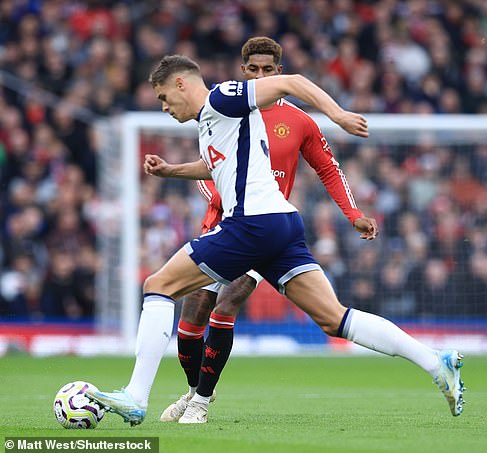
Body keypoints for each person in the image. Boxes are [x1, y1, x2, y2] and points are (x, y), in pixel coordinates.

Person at [85, 54, 465, 426]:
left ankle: (136, 396)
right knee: (334, 319)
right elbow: (215, 165)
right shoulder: (212, 122)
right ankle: (435, 362)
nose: (164, 106)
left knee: (158, 285)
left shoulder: (222, 98)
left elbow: (293, 82)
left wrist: (338, 115)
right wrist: (172, 171)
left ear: (181, 83)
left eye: (164, 97)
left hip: (250, 224)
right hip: (281, 223)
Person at [159, 37, 379, 424]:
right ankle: (192, 391)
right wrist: (208, 188)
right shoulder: (227, 106)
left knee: (227, 304)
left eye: (268, 70)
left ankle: (201, 403)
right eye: (253, 69)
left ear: (278, 72)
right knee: (193, 313)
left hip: (264, 228)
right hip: (220, 223)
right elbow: (210, 164)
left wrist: (352, 212)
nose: (260, 75)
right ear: (244, 71)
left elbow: (328, 167)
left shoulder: (299, 121)